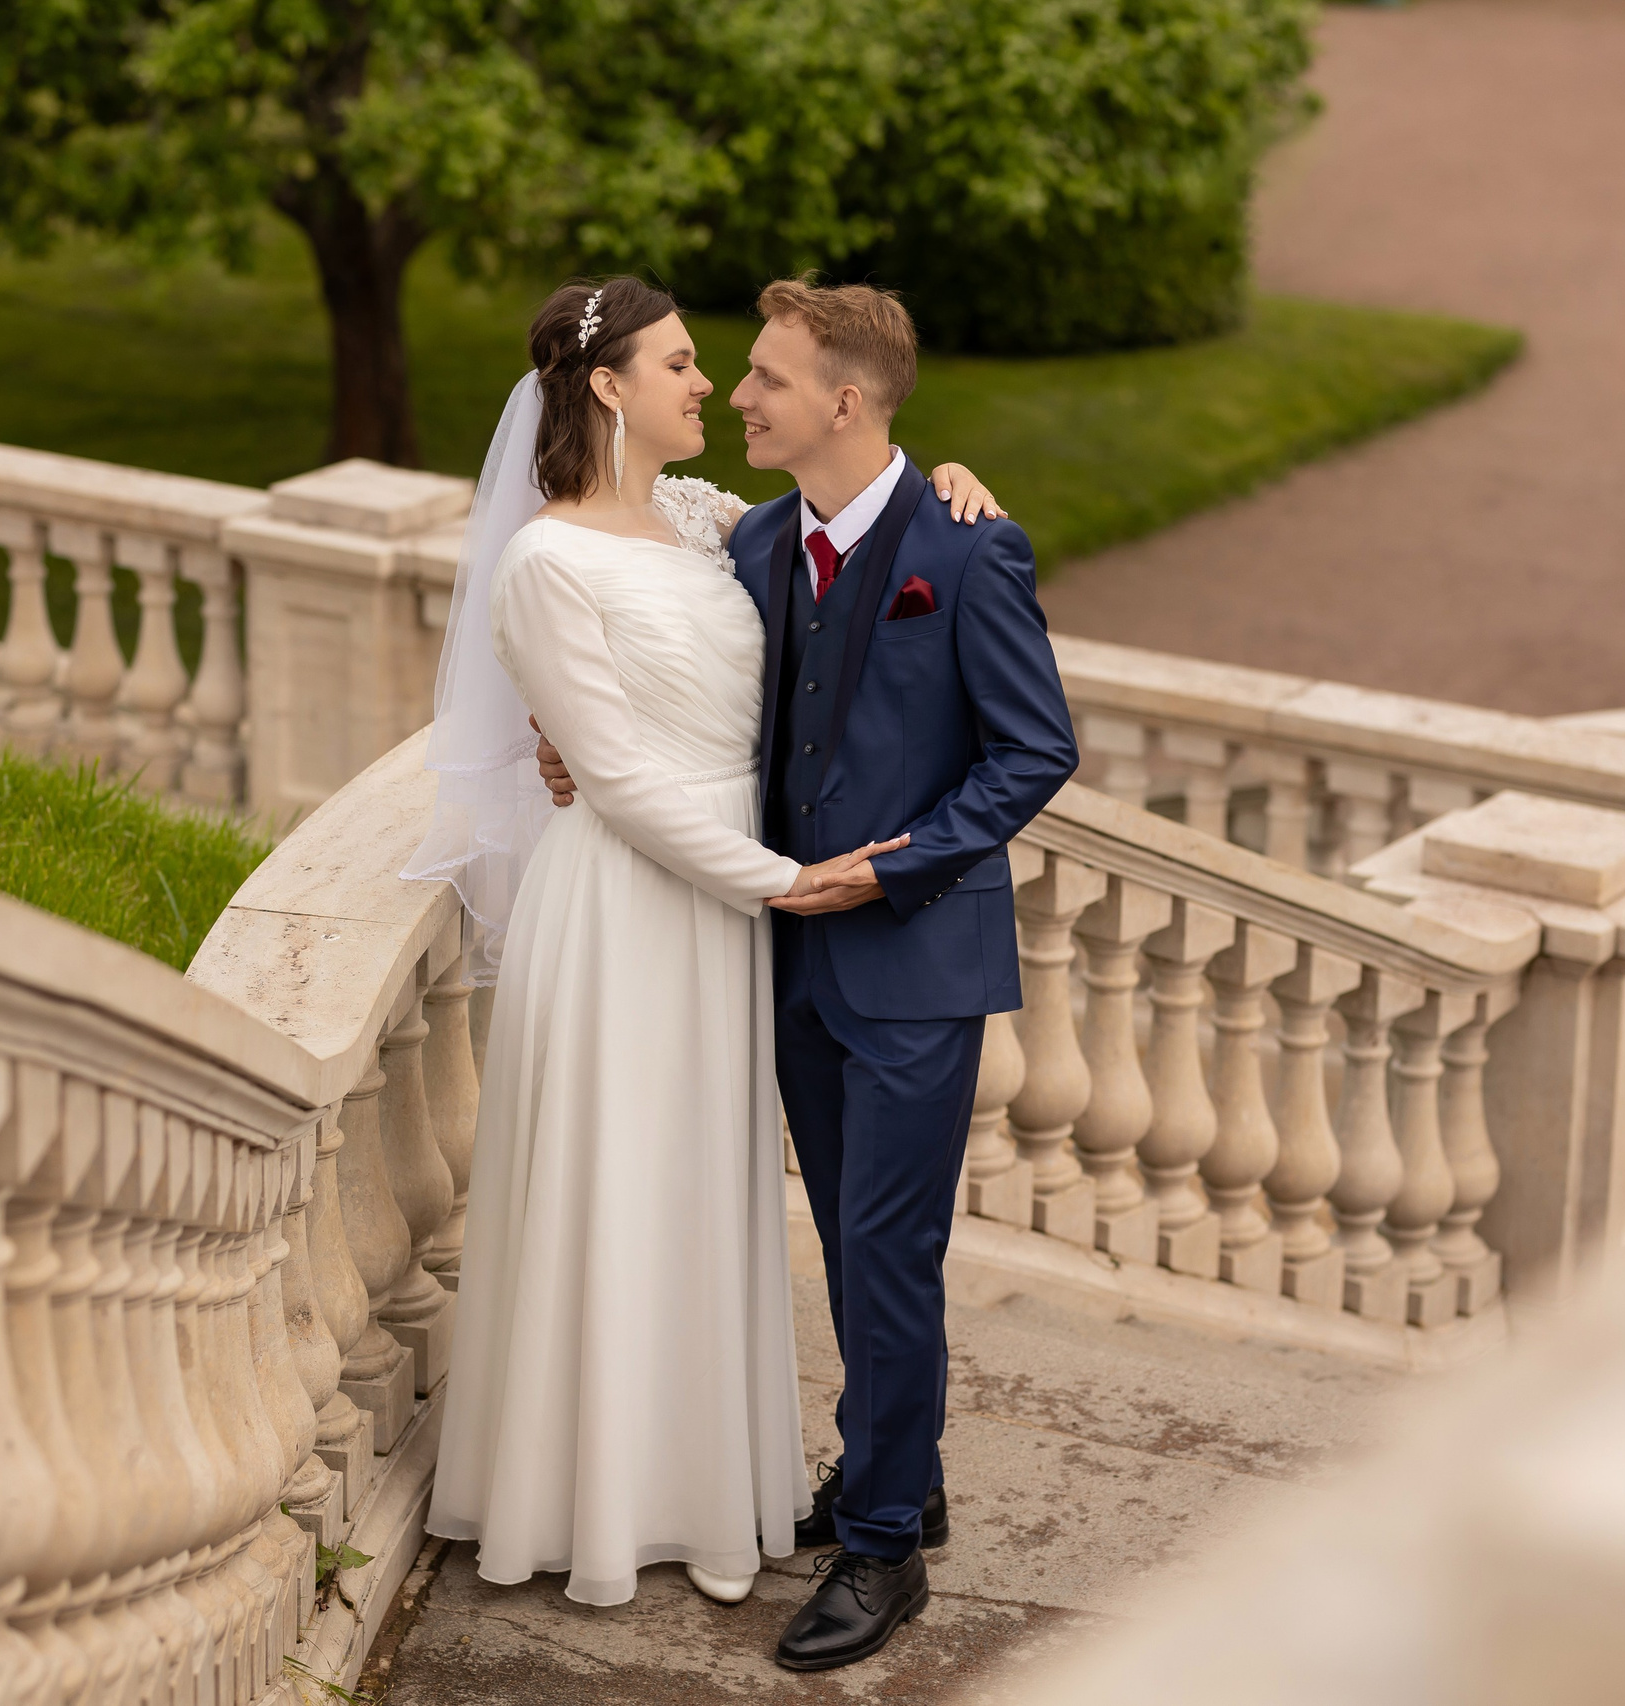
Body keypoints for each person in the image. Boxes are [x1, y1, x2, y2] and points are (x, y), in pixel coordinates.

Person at [409, 276, 1010, 1616]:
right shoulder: (550, 558)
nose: (717, 389)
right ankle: (626, 1494)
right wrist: (787, 881)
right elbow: (617, 767)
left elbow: (866, 544)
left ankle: (845, 1495)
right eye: (687, 366)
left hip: (765, 917)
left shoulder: (707, 525)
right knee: (627, 1187)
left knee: (755, 1208)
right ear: (608, 386)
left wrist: (954, 484)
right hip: (653, 906)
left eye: (737, 372)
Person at [531, 277, 1080, 1671]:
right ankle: (913, 1467)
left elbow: (1032, 753)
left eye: (766, 377)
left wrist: (894, 866)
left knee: (890, 1253)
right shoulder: (756, 539)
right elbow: (664, 665)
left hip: (913, 967)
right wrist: (571, 744)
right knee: (850, 1241)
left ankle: (886, 1543)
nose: (739, 395)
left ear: (845, 399)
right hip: (785, 963)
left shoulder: (966, 549)